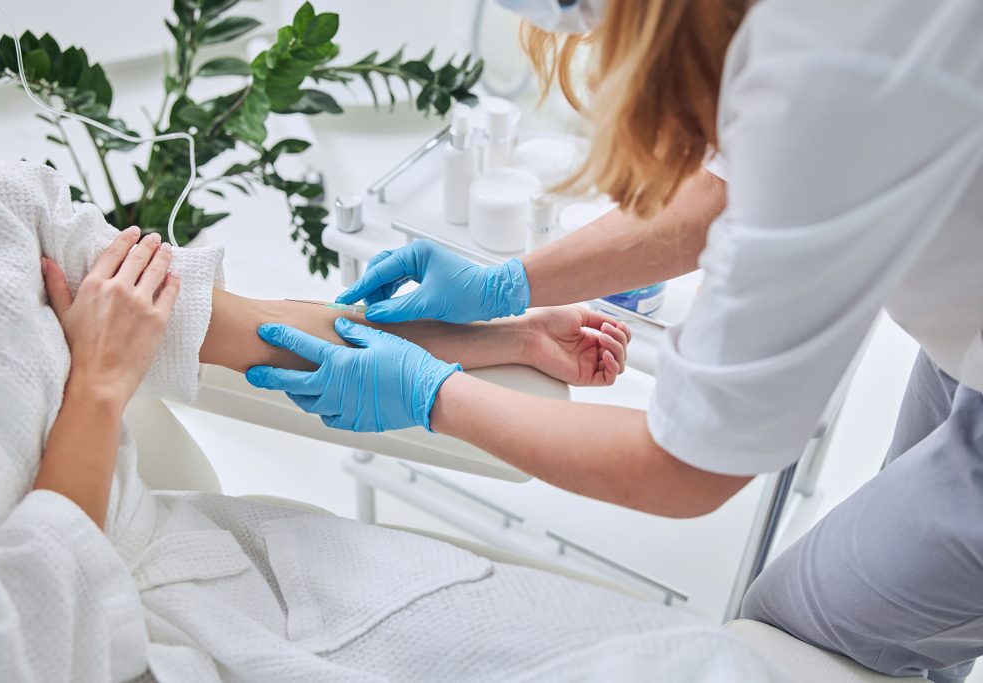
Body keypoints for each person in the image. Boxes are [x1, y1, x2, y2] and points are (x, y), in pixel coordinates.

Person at [245, 0, 983, 680]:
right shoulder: (813, 47)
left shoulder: (831, 66)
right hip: (968, 337)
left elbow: (689, 468)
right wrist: (513, 287)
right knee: (925, 618)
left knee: (802, 634)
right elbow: (730, 189)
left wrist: (430, 393)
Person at [0, 158, 780, 681]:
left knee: (700, 662)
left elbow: (224, 321)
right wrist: (99, 388)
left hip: (227, 571)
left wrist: (505, 324)